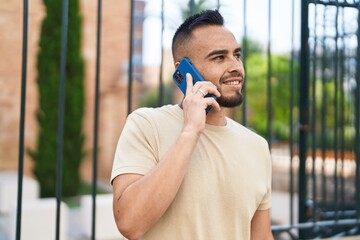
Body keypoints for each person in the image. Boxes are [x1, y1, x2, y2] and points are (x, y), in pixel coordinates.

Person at [111, 9, 273, 240]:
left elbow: (261, 236)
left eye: (236, 55)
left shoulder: (257, 146)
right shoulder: (146, 124)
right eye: (219, 57)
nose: (235, 66)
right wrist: (190, 131)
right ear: (184, 70)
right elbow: (129, 223)